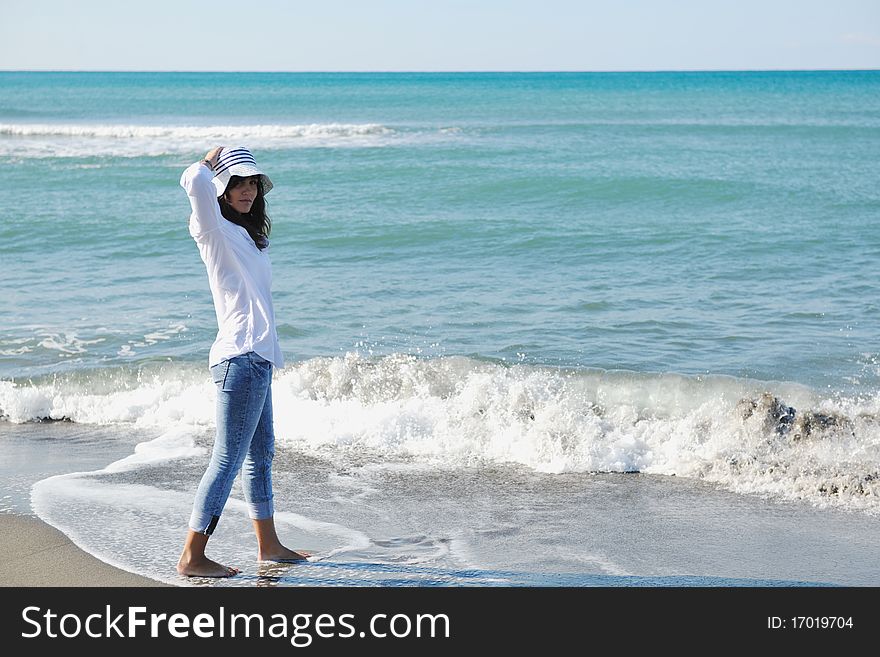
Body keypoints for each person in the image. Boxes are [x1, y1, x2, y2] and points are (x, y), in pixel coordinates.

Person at [177, 146, 309, 577]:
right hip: (240, 356)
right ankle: (193, 556)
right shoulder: (212, 228)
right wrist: (208, 159)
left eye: (252, 183)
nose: (248, 190)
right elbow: (192, 181)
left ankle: (268, 545)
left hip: (260, 358)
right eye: (238, 183)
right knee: (228, 460)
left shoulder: (249, 237)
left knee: (260, 456)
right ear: (223, 188)